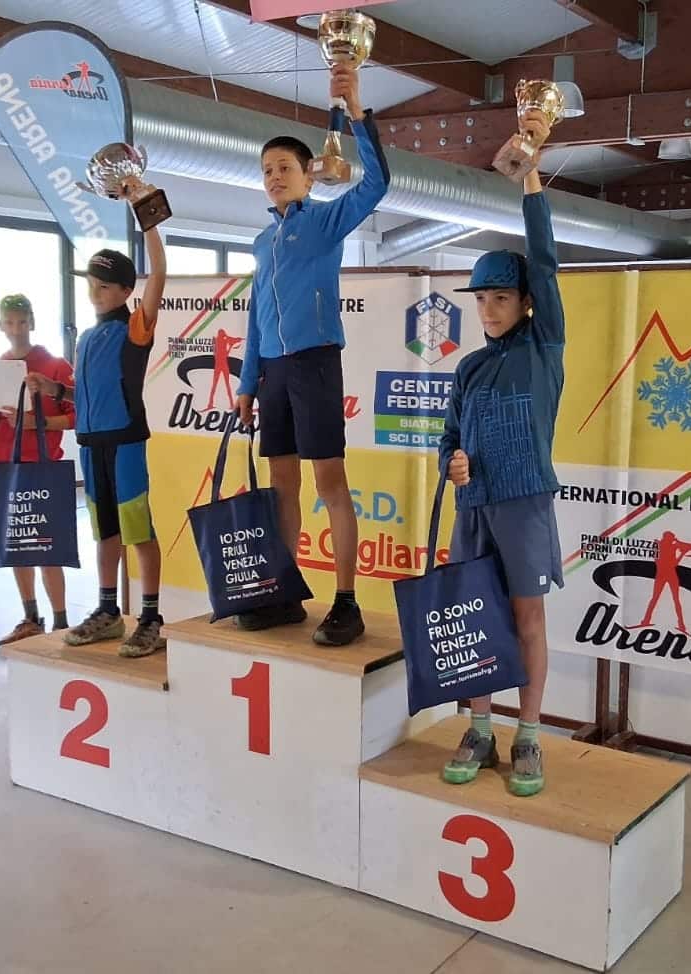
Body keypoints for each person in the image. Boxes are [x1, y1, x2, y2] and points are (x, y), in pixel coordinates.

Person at [236, 62, 390, 647]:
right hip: (273, 373)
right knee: (282, 486)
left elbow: (376, 186)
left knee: (329, 482)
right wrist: (247, 384)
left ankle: (346, 602)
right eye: (267, 170)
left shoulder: (324, 222)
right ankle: (283, 592)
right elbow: (256, 315)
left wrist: (357, 114)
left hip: (315, 363)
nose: (274, 177)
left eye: (284, 168)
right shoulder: (262, 241)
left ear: (308, 176)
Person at [438, 110, 563, 797]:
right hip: (474, 510)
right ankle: (480, 728)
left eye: (501, 298)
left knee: (526, 618)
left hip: (524, 505)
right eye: (481, 299)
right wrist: (451, 463)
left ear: (525, 303)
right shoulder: (467, 368)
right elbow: (448, 438)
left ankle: (529, 735)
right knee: (476, 620)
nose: (488, 310)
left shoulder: (544, 349)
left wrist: (531, 180)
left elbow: (543, 261)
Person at [26, 225, 167, 658]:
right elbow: (86, 396)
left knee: (137, 530)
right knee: (106, 532)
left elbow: (159, 273)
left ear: (126, 291)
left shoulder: (135, 328)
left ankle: (150, 617)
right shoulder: (86, 338)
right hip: (90, 445)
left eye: (104, 286)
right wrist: (55, 391)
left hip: (125, 443)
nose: (95, 292)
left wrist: (148, 223)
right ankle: (108, 610)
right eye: (91, 284)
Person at [0, 294, 75, 646]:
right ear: (1, 325)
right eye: (9, 322)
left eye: (21, 321)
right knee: (18, 543)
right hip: (4, 463)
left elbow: (77, 416)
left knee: (48, 546)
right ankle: (31, 617)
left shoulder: (55, 365)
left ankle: (61, 621)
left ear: (31, 322)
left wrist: (37, 423)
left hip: (42, 464)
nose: (16, 329)